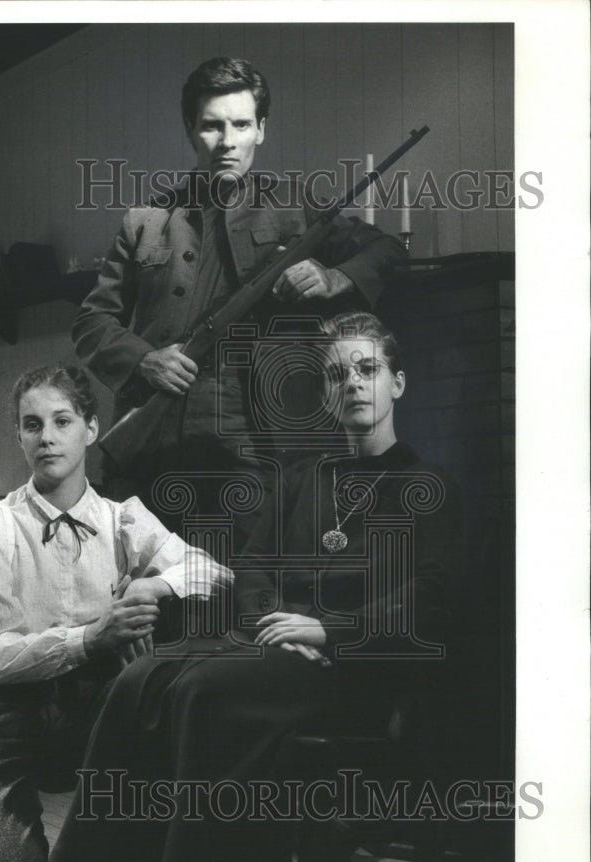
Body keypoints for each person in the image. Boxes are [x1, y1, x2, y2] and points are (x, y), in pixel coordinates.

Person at [48, 312, 464, 862]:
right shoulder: (301, 479)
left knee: (205, 693)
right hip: (275, 651)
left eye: (367, 370)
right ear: (326, 394)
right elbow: (250, 568)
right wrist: (275, 622)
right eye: (337, 375)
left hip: (354, 668)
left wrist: (329, 630)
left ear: (397, 384)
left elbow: (433, 595)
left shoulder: (428, 484)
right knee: (147, 675)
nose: (353, 385)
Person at [0, 364, 231, 862]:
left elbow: (214, 572)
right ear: (19, 437)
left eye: (62, 420)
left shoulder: (125, 519)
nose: (46, 436)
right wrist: (94, 636)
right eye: (31, 424)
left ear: (91, 429)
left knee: (159, 702)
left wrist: (156, 583)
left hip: (92, 708)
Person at [72, 56, 407, 540]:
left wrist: (333, 277)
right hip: (157, 452)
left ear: (261, 129)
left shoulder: (297, 210)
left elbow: (385, 249)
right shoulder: (144, 220)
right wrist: (145, 361)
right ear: (190, 129)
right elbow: (91, 323)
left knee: (249, 599)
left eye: (241, 124)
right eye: (211, 126)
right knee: (150, 597)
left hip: (260, 454)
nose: (227, 142)